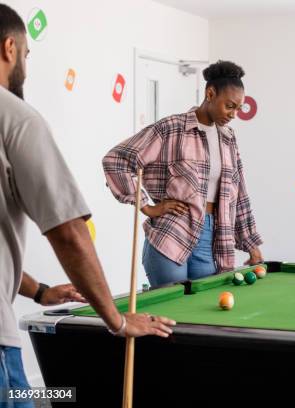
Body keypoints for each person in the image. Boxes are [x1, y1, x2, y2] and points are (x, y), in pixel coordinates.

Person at [0, 4, 175, 405]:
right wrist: (116, 321)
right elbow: (68, 232)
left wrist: (40, 291)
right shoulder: (18, 119)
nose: (25, 63)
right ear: (10, 48)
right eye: (26, 55)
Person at [103, 60, 263, 287]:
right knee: (171, 315)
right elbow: (116, 159)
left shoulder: (228, 138)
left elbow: (239, 193)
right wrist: (148, 206)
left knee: (203, 315)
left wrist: (251, 245)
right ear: (210, 93)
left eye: (238, 108)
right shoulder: (170, 128)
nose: (233, 114)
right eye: (229, 106)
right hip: (171, 234)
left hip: (212, 237)